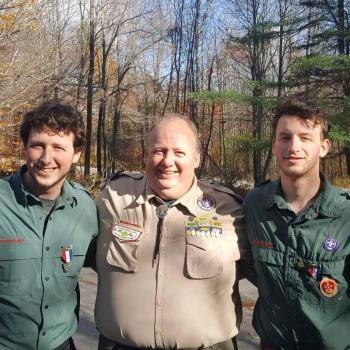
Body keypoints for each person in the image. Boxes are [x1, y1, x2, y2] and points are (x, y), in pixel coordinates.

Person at [95, 114, 256, 350]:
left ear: (196, 158)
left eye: (179, 153)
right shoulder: (114, 198)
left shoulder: (228, 209)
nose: (167, 161)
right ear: (146, 155)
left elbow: (266, 274)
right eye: (159, 151)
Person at [244, 97, 350, 350]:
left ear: (324, 147)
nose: (294, 146)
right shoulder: (256, 205)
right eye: (285, 137)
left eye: (305, 137)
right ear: (274, 145)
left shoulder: (346, 214)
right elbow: (248, 267)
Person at [0, 101, 98, 350]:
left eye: (58, 147)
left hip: (61, 344)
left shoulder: (86, 208)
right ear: (24, 147)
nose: (46, 158)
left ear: (77, 153)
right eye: (38, 146)